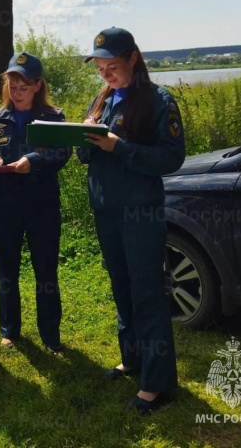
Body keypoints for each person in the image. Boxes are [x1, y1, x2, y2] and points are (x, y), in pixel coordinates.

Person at [77, 27, 185, 414]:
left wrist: (118, 147)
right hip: (106, 210)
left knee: (147, 293)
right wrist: (83, 138)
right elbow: (85, 157)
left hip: (140, 212)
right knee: (122, 287)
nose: (105, 73)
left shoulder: (158, 100)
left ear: (133, 59)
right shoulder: (102, 98)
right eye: (100, 67)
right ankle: (133, 359)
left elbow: (171, 158)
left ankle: (156, 384)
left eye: (112, 66)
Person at [0, 52, 71, 353]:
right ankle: (9, 329)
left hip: (42, 205)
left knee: (45, 270)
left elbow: (62, 153)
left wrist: (33, 160)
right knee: (7, 268)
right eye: (12, 87)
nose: (16, 93)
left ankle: (50, 333)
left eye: (23, 87)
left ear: (37, 86)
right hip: (4, 205)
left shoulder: (53, 118)